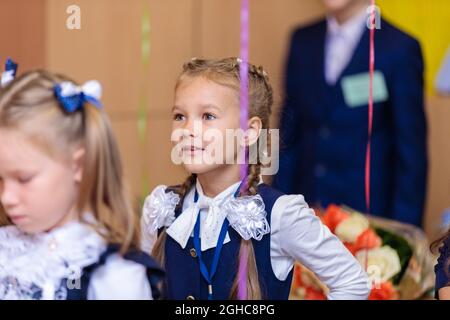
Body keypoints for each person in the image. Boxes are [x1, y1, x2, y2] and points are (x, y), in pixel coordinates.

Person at [141, 57, 370, 300]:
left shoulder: (281, 214)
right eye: (179, 116)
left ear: (249, 132)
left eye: (207, 116)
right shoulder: (160, 207)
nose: (187, 130)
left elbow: (353, 283)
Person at [0, 70, 163, 300]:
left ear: (78, 166)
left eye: (23, 179)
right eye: (0, 180)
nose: (7, 197)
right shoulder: (7, 249)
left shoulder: (114, 276)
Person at [273, 0, 428, 227]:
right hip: (305, 216)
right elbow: (288, 138)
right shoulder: (302, 41)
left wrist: (401, 238)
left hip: (369, 223)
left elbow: (411, 154)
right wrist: (277, 210)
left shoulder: (398, 48)